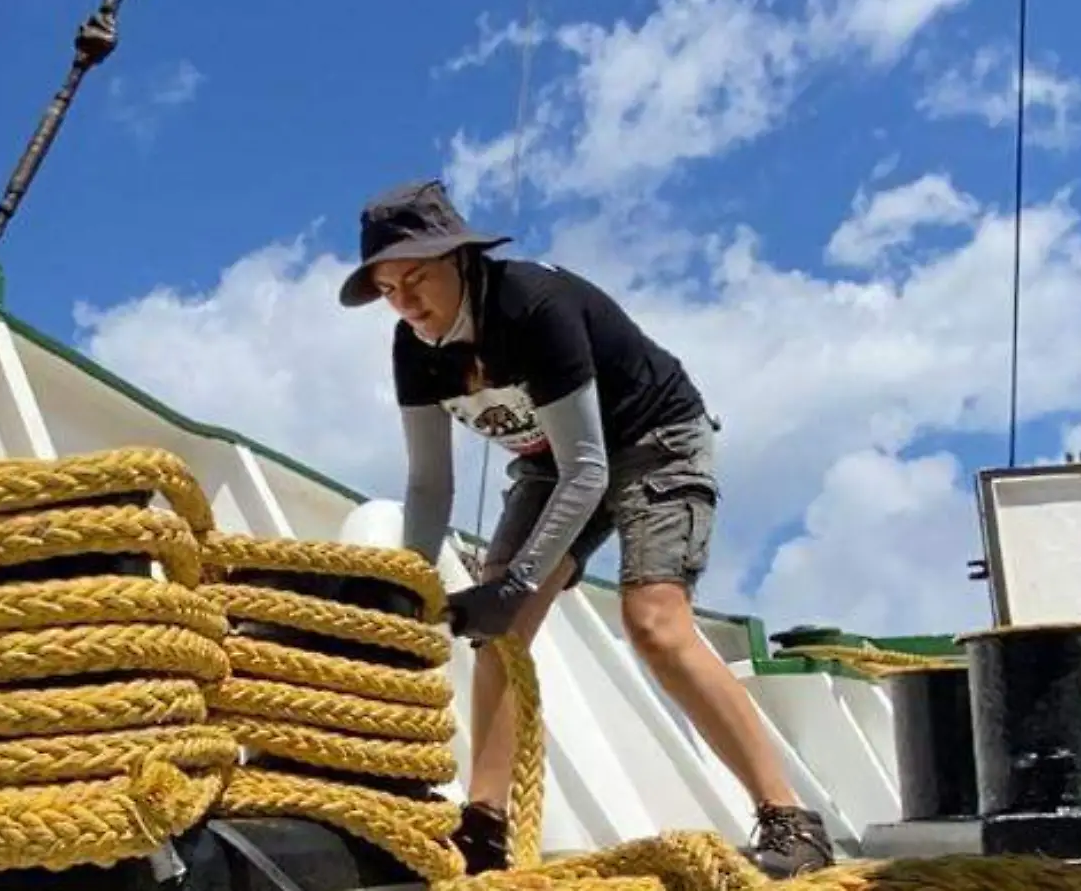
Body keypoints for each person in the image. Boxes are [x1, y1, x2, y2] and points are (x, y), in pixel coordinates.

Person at [336, 178, 835, 878]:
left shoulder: (532, 305)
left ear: (461, 258)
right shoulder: (412, 349)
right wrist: (413, 583)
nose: (407, 300)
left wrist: (514, 581)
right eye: (389, 289)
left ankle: (791, 818)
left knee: (654, 621)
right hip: (549, 461)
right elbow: (429, 483)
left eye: (417, 276)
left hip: (651, 437)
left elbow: (591, 470)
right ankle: (485, 826)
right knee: (497, 636)